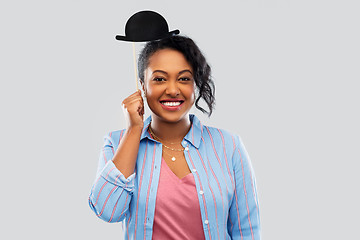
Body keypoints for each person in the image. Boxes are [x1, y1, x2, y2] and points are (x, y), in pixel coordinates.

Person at [89, 35, 261, 239]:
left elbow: (247, 231)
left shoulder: (229, 146)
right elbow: (108, 211)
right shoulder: (117, 143)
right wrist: (134, 130)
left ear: (194, 85)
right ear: (142, 86)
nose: (172, 90)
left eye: (184, 78)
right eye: (160, 79)